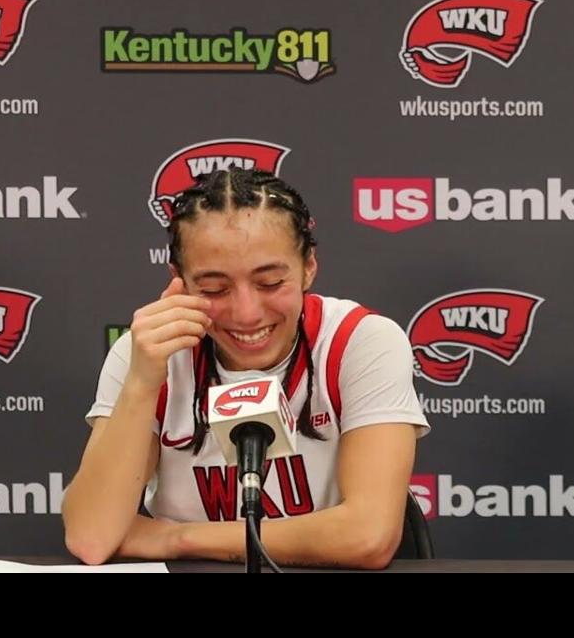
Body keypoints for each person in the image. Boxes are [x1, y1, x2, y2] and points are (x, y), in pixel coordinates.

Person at [63, 167, 428, 569]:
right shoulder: (148, 352)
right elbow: (91, 538)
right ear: (179, 282)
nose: (246, 313)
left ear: (308, 267)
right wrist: (142, 383)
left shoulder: (360, 341)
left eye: (270, 282)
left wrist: (174, 536)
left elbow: (368, 536)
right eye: (214, 289)